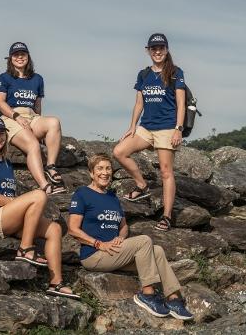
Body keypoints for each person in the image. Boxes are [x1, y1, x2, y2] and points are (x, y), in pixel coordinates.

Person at [68, 153, 193, 320]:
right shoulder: (82, 194)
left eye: (108, 168)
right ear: (91, 173)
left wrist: (120, 236)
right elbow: (73, 230)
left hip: (114, 252)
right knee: (144, 240)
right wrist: (99, 244)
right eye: (99, 168)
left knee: (157, 251)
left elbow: (124, 226)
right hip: (94, 255)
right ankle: (147, 295)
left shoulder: (113, 198)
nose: (105, 172)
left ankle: (174, 299)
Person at [0, 116, 79, 299]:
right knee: (39, 194)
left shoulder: (6, 162)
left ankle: (56, 283)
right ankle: (25, 248)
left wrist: (18, 204)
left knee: (54, 228)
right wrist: (18, 204)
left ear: (6, 136)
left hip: (7, 216)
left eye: (0, 133)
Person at [112, 33, 186, 231]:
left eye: (161, 47)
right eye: (154, 48)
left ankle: (167, 216)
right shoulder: (143, 74)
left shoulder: (175, 72)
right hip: (146, 127)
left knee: (165, 172)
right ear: (148, 51)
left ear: (167, 49)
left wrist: (178, 129)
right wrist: (132, 126)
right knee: (119, 151)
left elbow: (181, 103)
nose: (158, 51)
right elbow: (139, 103)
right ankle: (142, 185)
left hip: (167, 128)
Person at [0, 42, 66, 195]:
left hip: (32, 116)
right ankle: (44, 186)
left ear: (28, 57)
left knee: (54, 122)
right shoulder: (3, 78)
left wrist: (40, 124)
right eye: (16, 54)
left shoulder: (37, 79)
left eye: (23, 54)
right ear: (10, 58)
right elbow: (0, 103)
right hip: (10, 117)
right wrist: (17, 117)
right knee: (33, 144)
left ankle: (51, 167)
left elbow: (38, 105)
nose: (20, 57)